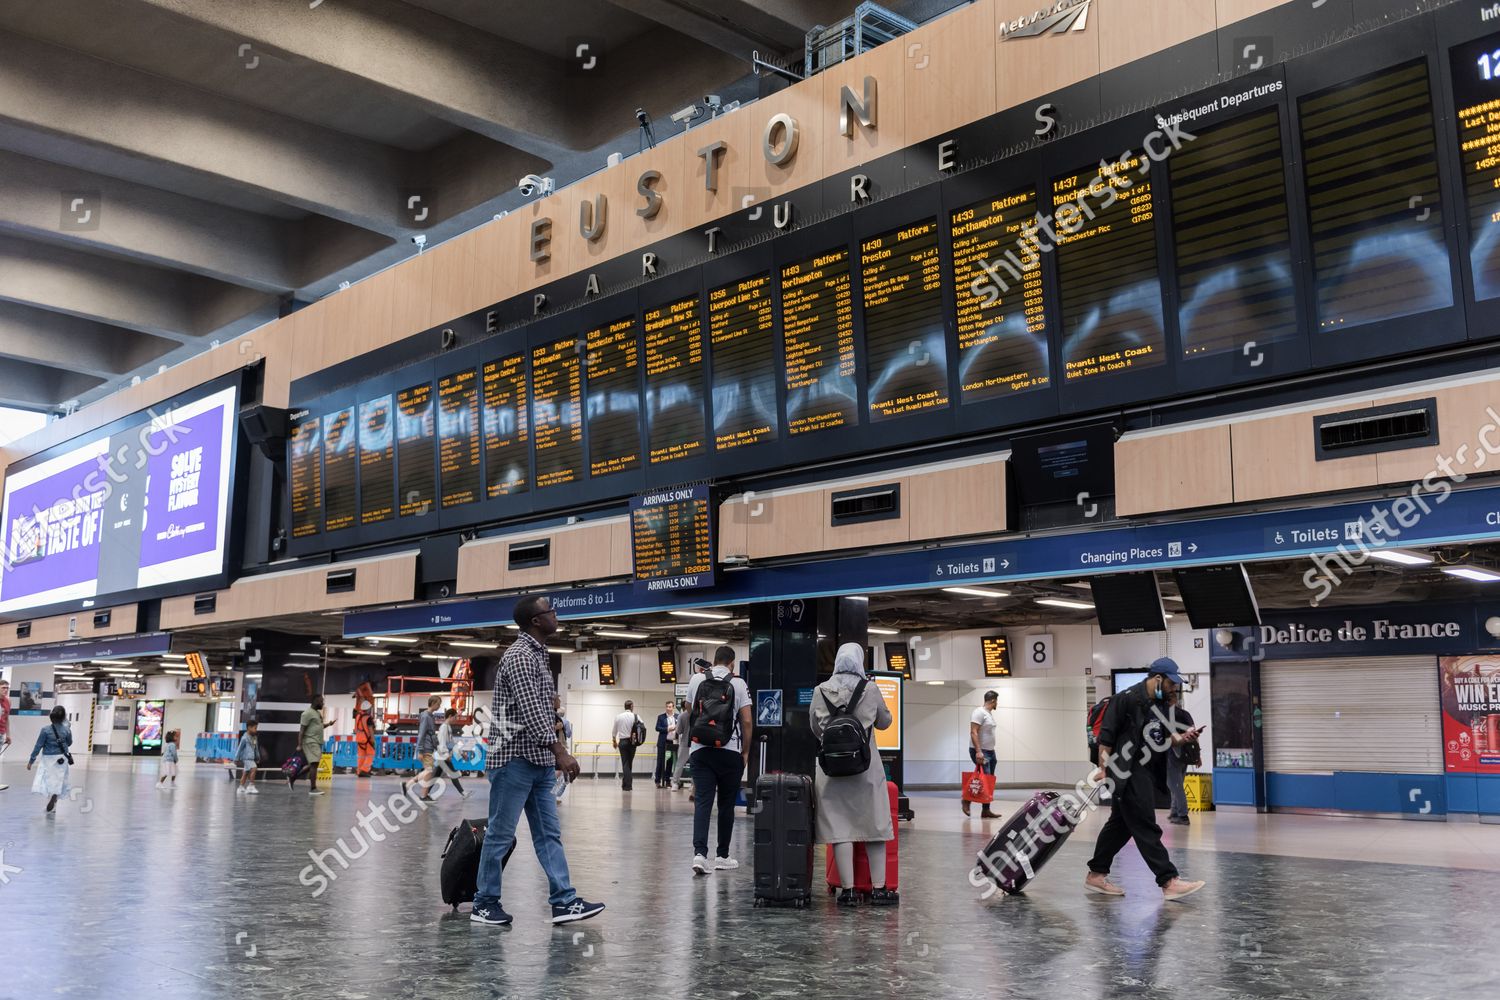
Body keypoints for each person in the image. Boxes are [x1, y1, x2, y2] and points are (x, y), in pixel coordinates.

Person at [471, 594, 604, 927]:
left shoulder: (539, 655)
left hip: (538, 761)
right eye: (550, 611)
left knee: (549, 835)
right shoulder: (519, 657)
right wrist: (560, 750)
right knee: (499, 834)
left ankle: (564, 901)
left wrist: (552, 744)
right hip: (514, 760)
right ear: (535, 621)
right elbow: (530, 712)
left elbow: (540, 709)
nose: (556, 615)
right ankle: (484, 903)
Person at [1086, 657, 1206, 902]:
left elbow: (1162, 738)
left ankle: (1096, 874)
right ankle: (1168, 880)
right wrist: (1104, 769)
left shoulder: (1158, 705)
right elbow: (1105, 740)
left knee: (1120, 826)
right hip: (1126, 771)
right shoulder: (1125, 699)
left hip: (1145, 771)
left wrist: (1183, 738)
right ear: (1158, 678)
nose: (1175, 688)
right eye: (1172, 683)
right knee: (1144, 824)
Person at [810, 642, 897, 907]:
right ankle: (880, 889)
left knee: (840, 829)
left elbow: (815, 728)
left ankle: (847, 891)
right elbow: (884, 722)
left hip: (831, 770)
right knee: (875, 825)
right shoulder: (870, 689)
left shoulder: (820, 690)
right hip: (865, 769)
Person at [685, 645, 753, 874]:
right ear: (732, 663)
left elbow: (688, 711)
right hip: (730, 750)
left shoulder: (696, 679)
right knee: (726, 804)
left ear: (713, 661)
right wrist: (745, 752)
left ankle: (699, 855)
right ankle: (722, 855)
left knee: (703, 802)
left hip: (700, 750)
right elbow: (746, 721)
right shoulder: (739, 683)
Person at [26, 705, 73, 813]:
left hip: (48, 758)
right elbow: (69, 743)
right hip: (62, 758)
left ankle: (51, 799)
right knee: (59, 780)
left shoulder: (45, 730)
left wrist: (31, 761)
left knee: (47, 780)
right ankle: (54, 798)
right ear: (63, 717)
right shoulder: (67, 730)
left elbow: (38, 745)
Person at [1164, 697, 1200, 826]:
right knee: (1177, 783)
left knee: (1175, 785)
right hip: (1186, 752)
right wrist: (1197, 755)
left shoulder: (1166, 715)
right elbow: (1194, 734)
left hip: (1172, 752)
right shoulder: (1186, 714)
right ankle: (1174, 812)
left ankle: (1183, 815)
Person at [965, 690, 1000, 819]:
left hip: (990, 751)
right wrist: (979, 751)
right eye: (996, 701)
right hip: (981, 751)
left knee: (988, 780)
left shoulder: (988, 714)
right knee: (983, 779)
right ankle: (966, 800)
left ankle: (986, 810)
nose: (997, 703)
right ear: (992, 700)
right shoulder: (979, 712)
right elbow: (973, 732)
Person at [404, 694, 444, 801]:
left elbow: (431, 734)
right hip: (426, 747)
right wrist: (420, 750)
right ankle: (413, 788)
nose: (439, 706)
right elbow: (421, 734)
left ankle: (422, 793)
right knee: (429, 771)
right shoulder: (426, 716)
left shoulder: (430, 716)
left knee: (429, 771)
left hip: (429, 747)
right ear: (433, 703)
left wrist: (436, 746)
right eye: (438, 704)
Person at [290, 695, 330, 795]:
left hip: (316, 742)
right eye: (321, 701)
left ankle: (293, 776)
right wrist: (299, 745)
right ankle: (313, 788)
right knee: (314, 764)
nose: (323, 703)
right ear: (315, 701)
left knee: (313, 764)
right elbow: (301, 730)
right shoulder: (306, 714)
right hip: (310, 741)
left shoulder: (316, 713)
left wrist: (329, 724)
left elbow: (319, 727)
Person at [434, 707, 471, 799]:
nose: (456, 719)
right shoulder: (443, 728)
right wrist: (446, 755)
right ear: (450, 716)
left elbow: (452, 743)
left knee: (436, 776)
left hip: (443, 757)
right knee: (453, 773)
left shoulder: (448, 727)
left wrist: (462, 753)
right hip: (443, 757)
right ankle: (463, 793)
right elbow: (441, 743)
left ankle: (423, 793)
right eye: (455, 717)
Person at [612, 699, 641, 791]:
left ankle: (625, 784)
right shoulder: (636, 716)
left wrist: (614, 741)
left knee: (625, 762)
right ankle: (628, 785)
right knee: (629, 763)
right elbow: (642, 727)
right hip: (632, 742)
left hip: (622, 742)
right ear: (631, 706)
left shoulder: (618, 717)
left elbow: (614, 731)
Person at [654, 699, 677, 788]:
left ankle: (668, 781)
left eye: (670, 707)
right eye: (667, 707)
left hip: (672, 742)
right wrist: (668, 729)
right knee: (660, 762)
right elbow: (657, 728)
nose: (668, 708)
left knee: (670, 762)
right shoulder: (661, 717)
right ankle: (657, 781)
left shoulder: (677, 717)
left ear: (673, 707)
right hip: (663, 742)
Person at [234, 721, 260, 795]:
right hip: (246, 758)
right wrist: (236, 758)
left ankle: (241, 787)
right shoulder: (244, 738)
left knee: (246, 772)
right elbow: (239, 748)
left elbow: (256, 749)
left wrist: (258, 757)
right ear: (249, 728)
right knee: (254, 768)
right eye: (255, 728)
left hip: (252, 758)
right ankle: (251, 786)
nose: (256, 730)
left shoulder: (255, 738)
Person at [672, 699, 690, 789]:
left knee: (679, 764)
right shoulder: (698, 714)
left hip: (685, 743)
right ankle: (694, 786)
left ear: (683, 707)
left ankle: (675, 783)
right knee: (696, 766)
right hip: (696, 744)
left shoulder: (682, 716)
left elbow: (678, 731)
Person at [0, 679, 11, 792]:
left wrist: (8, 734)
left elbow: (7, 719)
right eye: (3, 687)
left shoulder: (8, 701)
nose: (6, 690)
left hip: (1, 732)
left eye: (7, 688)